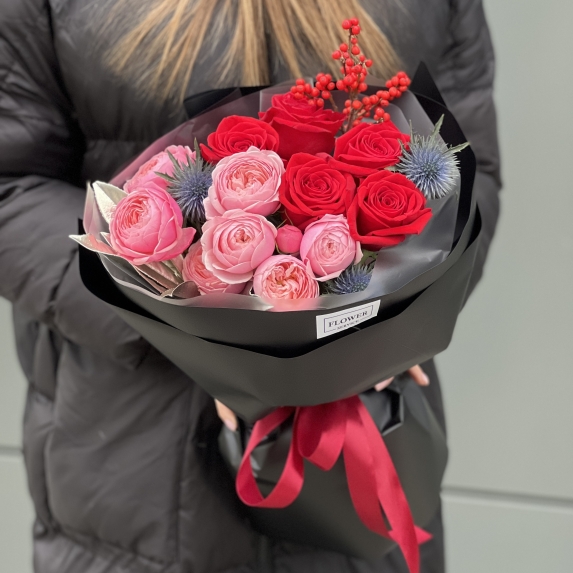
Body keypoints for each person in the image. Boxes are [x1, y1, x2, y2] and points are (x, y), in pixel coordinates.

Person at [0, 0, 500, 571]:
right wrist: (193, 332)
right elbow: (11, 187)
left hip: (361, 434)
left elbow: (467, 173)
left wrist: (383, 333)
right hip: (133, 455)